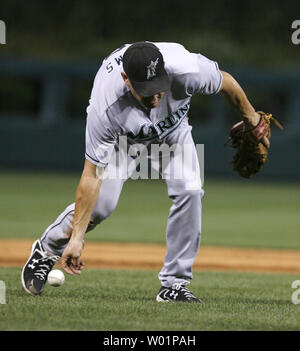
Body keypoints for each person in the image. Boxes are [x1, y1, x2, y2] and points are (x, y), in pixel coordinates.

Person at [21, 41, 262, 302]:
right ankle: (46, 250)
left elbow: (225, 82)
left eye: (159, 88)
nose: (156, 97)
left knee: (190, 191)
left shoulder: (187, 70)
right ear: (126, 79)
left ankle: (174, 285)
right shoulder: (107, 106)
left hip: (173, 132)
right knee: (101, 206)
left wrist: (252, 117)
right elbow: (91, 176)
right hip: (124, 141)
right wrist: (77, 237)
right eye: (147, 92)